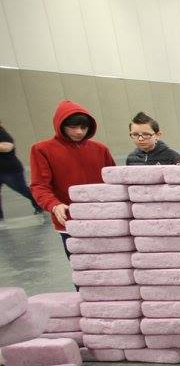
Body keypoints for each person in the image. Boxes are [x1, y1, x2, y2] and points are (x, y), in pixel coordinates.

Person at [29, 100, 116, 257]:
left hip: (103, 218)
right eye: (73, 127)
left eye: (83, 127)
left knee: (112, 265)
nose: (79, 132)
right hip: (69, 221)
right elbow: (39, 185)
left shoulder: (100, 149)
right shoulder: (42, 150)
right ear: (60, 125)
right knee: (83, 269)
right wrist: (54, 205)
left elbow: (114, 181)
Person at [0, 120, 44, 221]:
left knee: (22, 190)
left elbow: (7, 147)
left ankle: (39, 204)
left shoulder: (2, 134)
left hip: (10, 170)